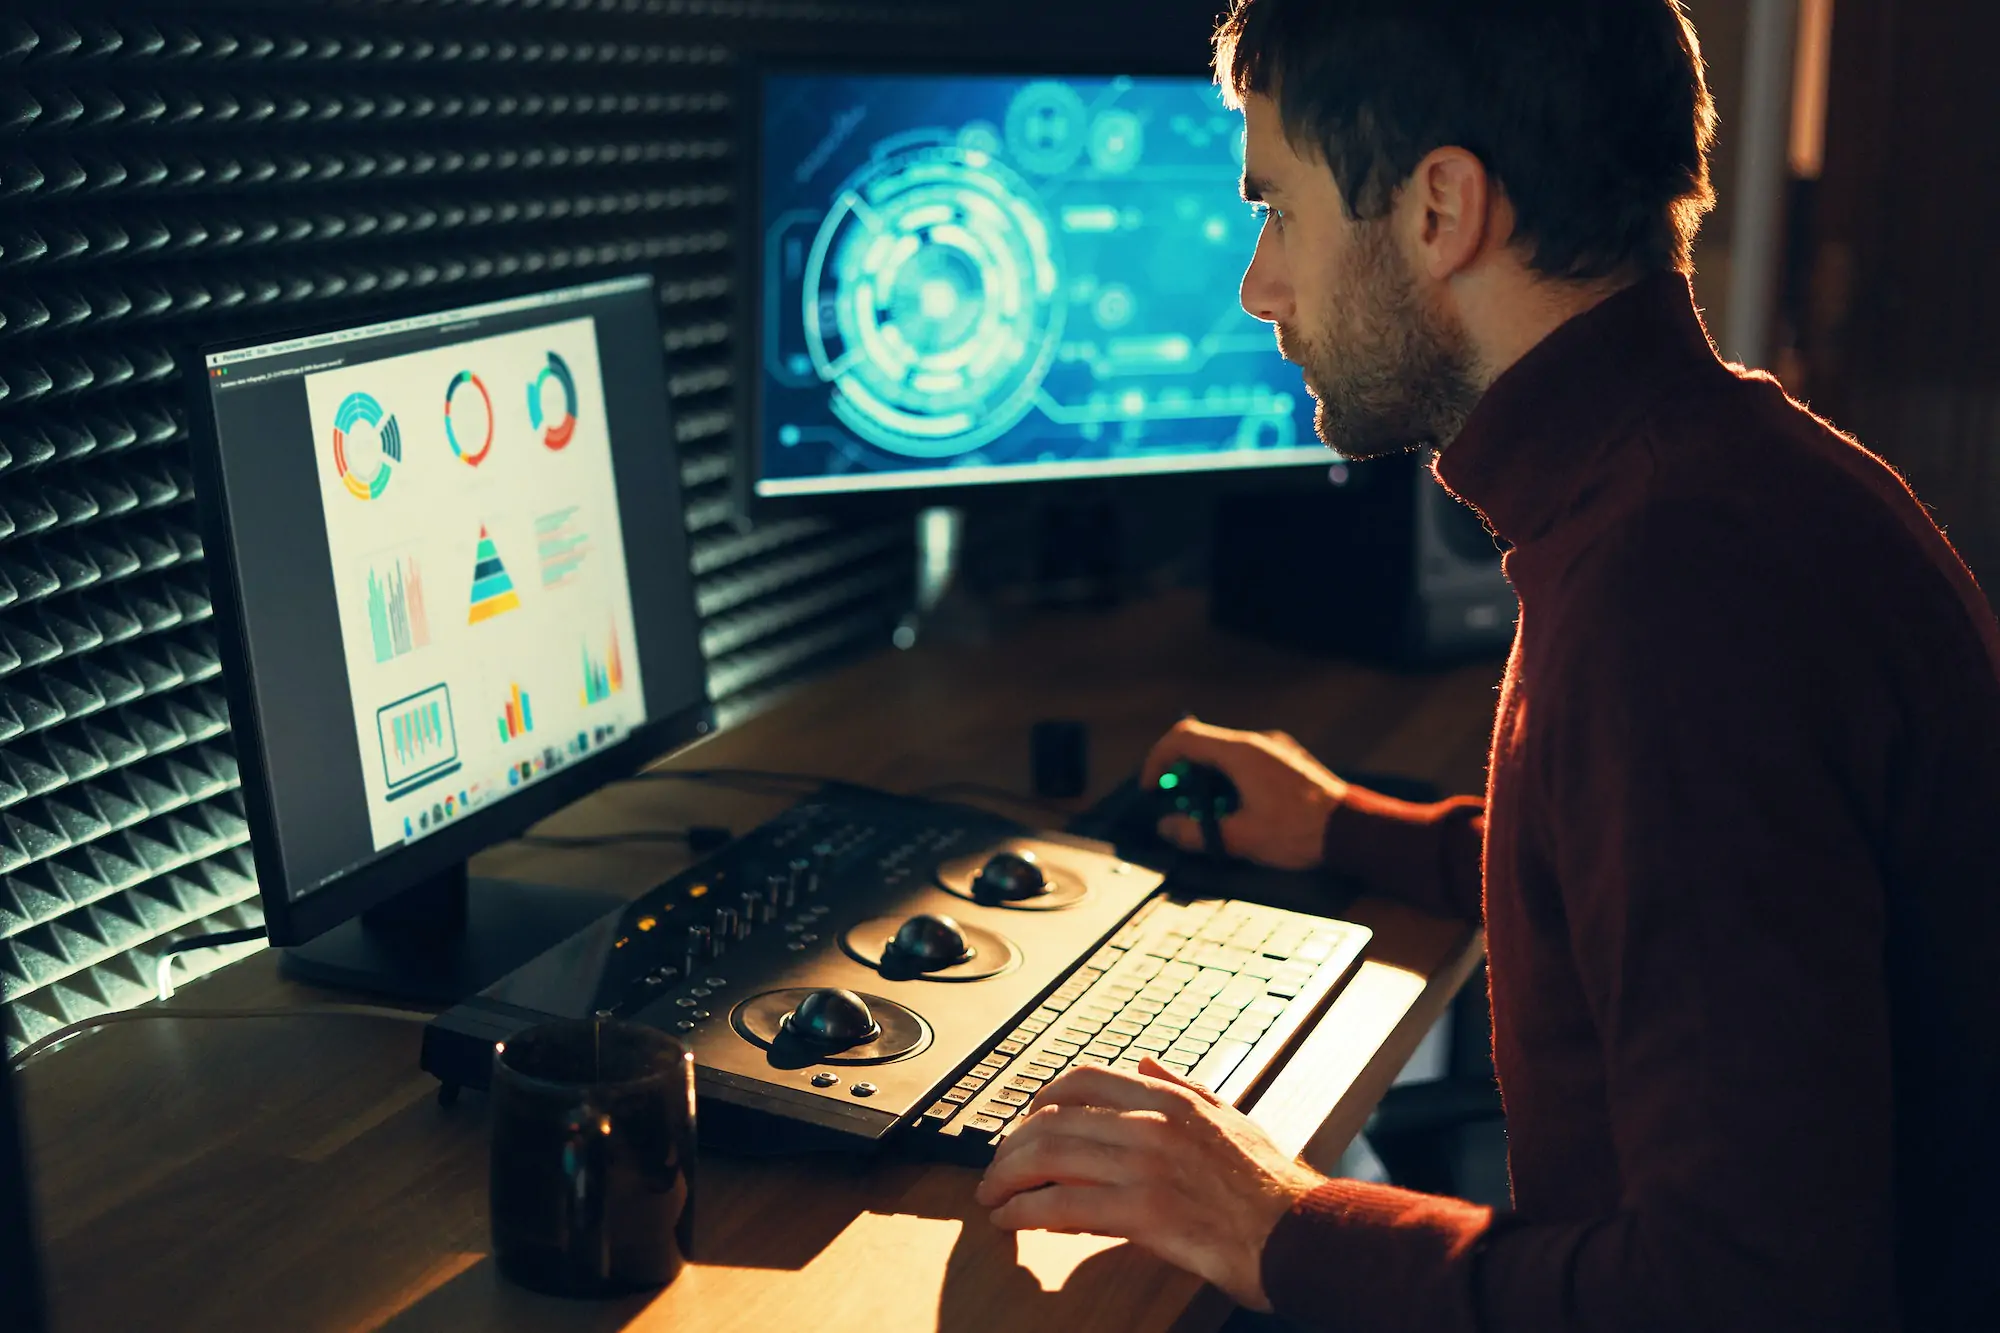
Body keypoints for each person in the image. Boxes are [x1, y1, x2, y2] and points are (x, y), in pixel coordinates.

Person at [974, 1, 2000, 1329]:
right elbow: (1662, 897)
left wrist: (1275, 1222)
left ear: (1441, 209)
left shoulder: (1674, 599)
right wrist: (1345, 827)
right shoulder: (1737, 482)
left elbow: (1748, 1295)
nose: (1258, 286)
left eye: (1278, 211)